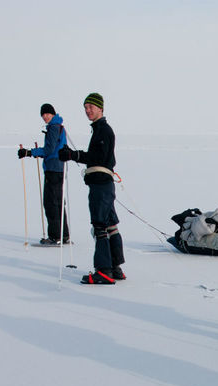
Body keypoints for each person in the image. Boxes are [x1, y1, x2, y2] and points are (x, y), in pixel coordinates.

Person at [58, 93, 125, 284]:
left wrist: (72, 155)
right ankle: (115, 267)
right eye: (85, 107)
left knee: (100, 225)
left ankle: (104, 271)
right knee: (110, 224)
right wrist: (74, 155)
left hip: (101, 185)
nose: (88, 110)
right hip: (104, 184)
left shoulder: (103, 130)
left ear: (101, 108)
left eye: (91, 107)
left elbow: (97, 157)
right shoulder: (99, 129)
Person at [18, 103, 69, 245]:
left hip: (53, 168)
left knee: (51, 202)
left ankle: (55, 237)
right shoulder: (59, 127)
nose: (45, 117)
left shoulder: (53, 127)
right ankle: (63, 235)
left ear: (53, 114)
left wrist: (30, 152)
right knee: (58, 202)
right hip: (60, 168)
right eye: (43, 115)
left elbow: (49, 150)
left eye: (47, 114)